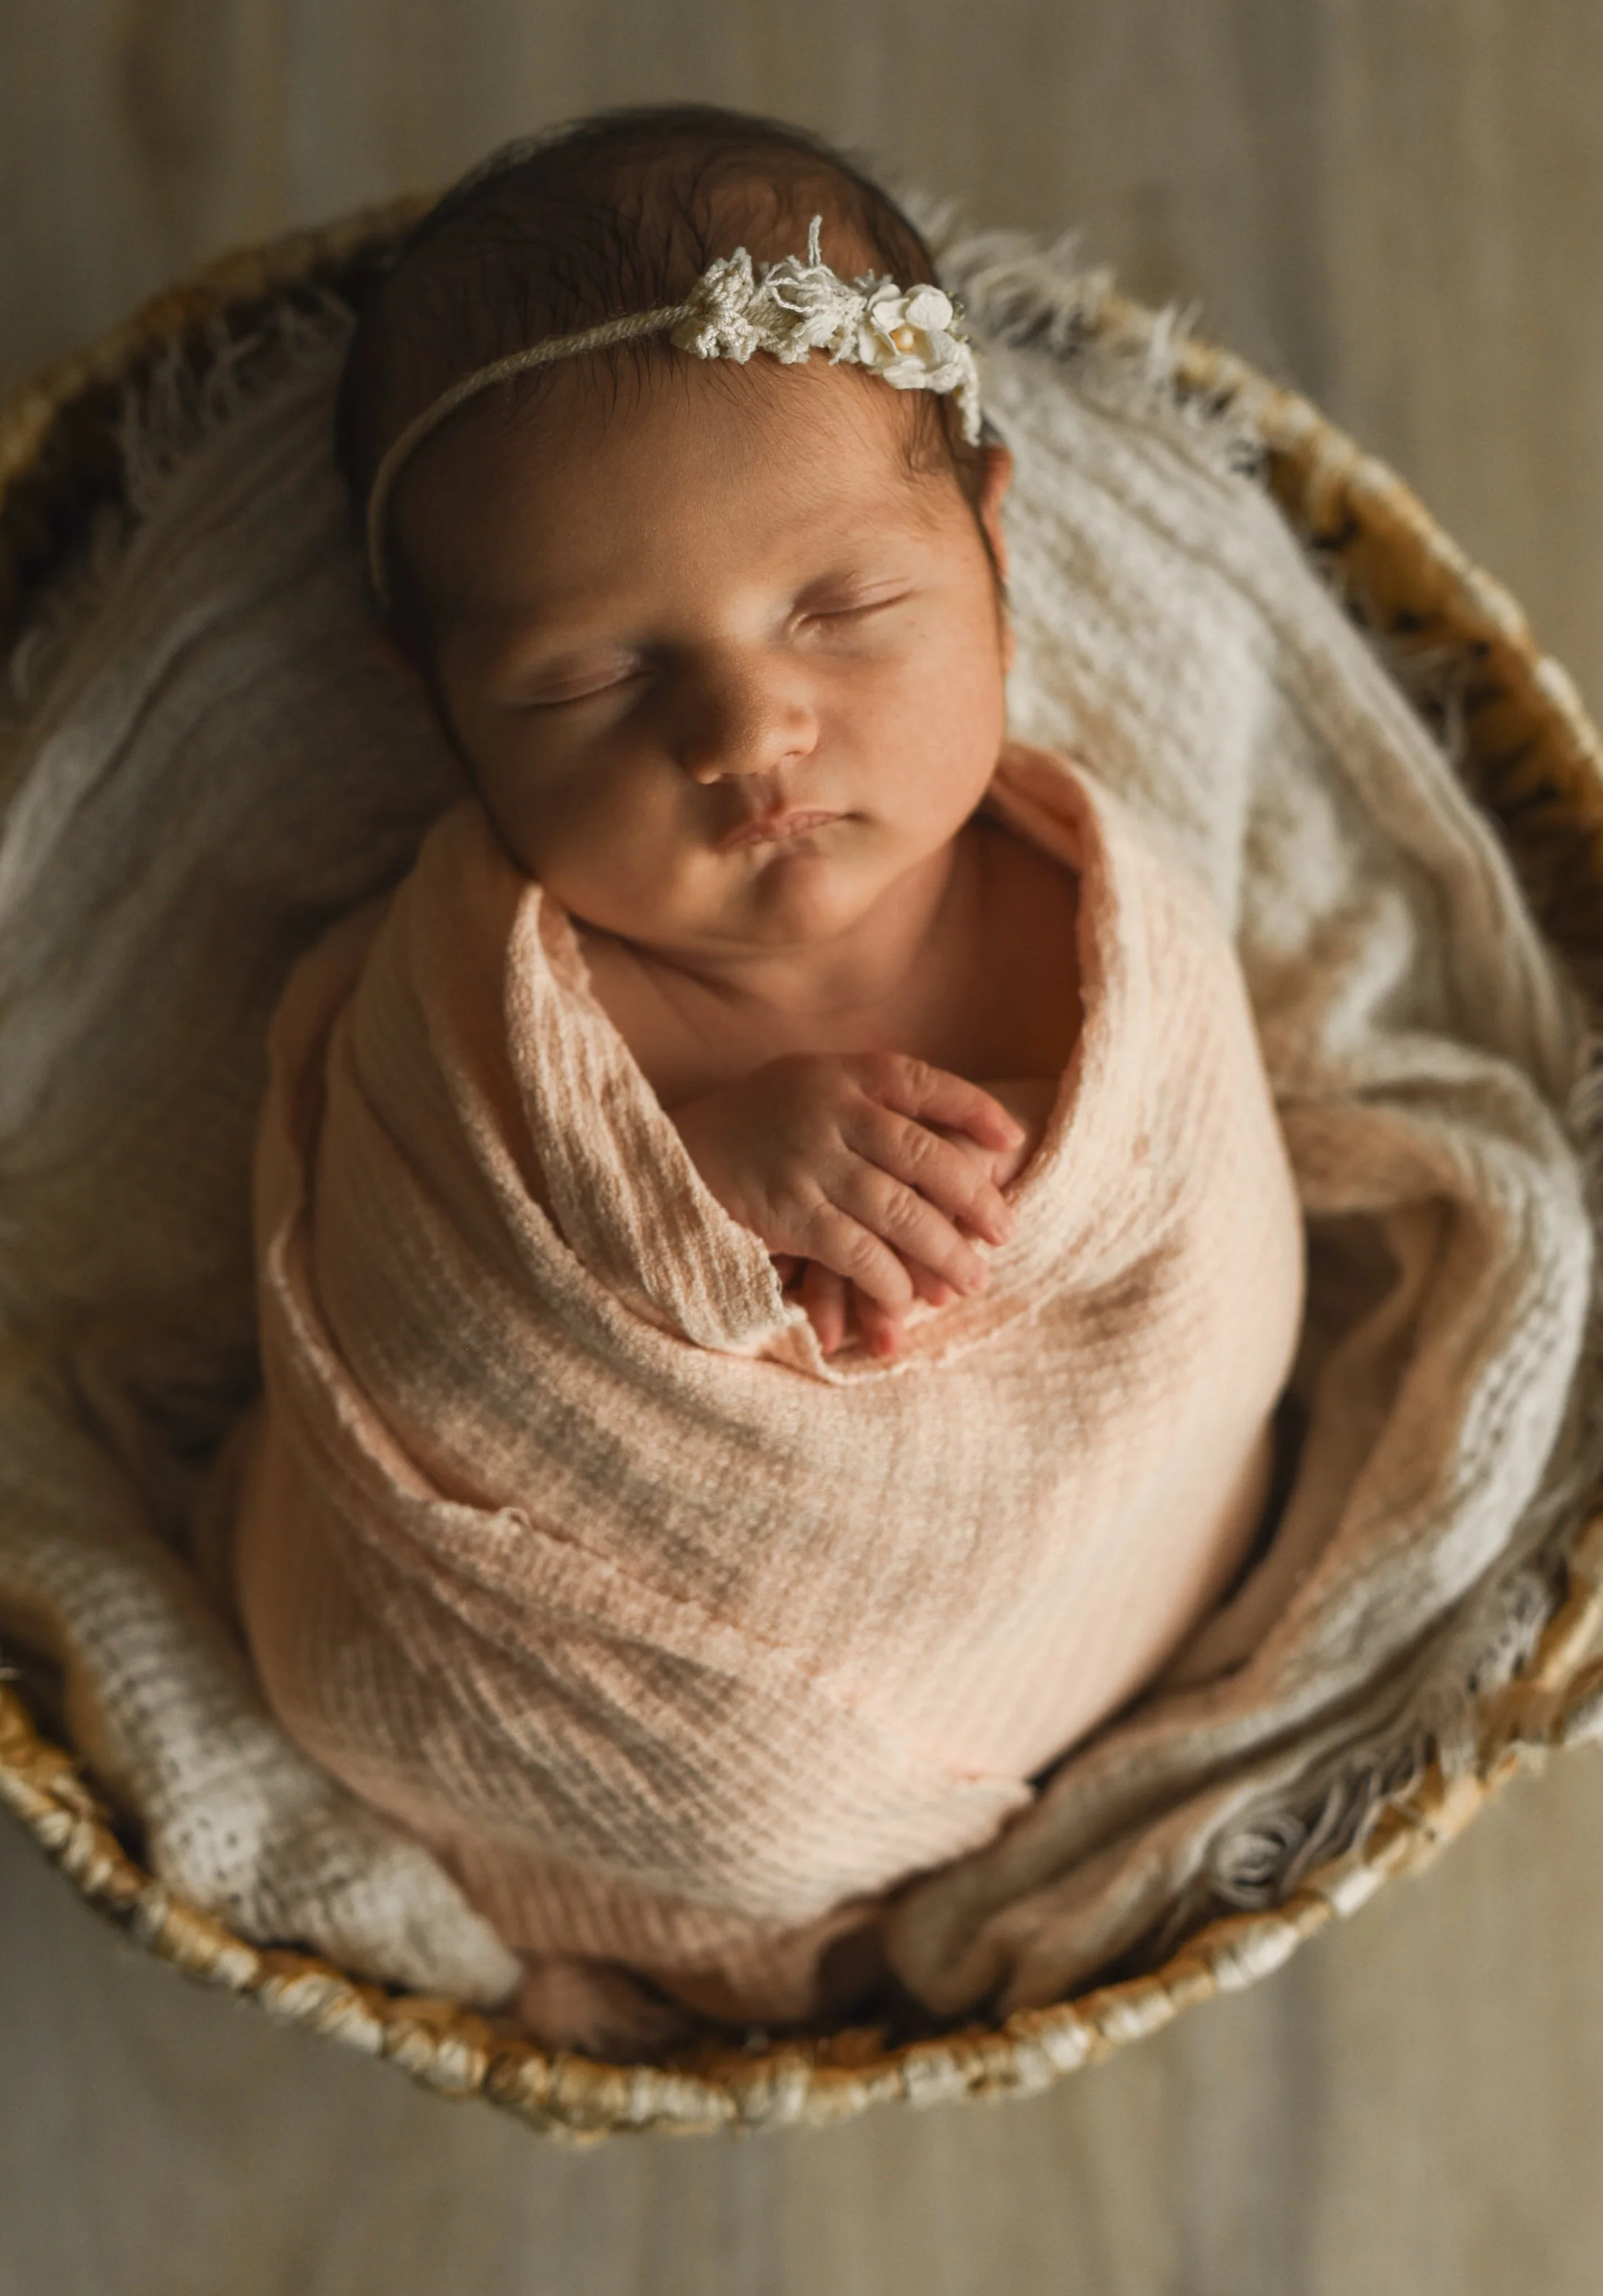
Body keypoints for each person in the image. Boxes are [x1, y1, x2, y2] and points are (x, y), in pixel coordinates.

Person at [224, 107, 1305, 2035]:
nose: (745, 727)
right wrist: (670, 1204)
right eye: (594, 680)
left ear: (986, 529)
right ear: (441, 702)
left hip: (1097, 1615)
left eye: (838, 607)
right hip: (598, 1730)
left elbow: (1203, 1294)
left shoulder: (1101, 919)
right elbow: (407, 1325)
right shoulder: (487, 1002)